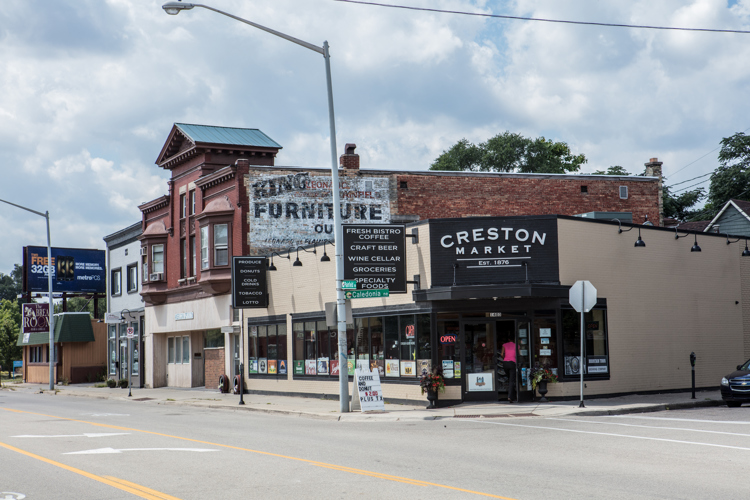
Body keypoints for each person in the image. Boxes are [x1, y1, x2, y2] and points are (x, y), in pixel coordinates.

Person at [501, 337, 517, 403]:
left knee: (510, 378)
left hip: (505, 363)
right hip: (512, 363)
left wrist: (504, 358)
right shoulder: (516, 345)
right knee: (511, 380)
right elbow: (518, 355)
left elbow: (502, 354)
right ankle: (510, 396)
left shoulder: (504, 345)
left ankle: (512, 395)